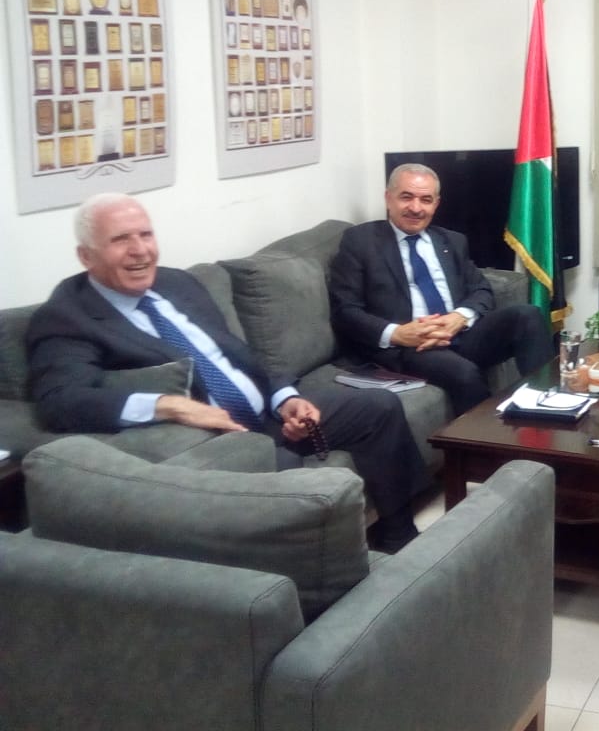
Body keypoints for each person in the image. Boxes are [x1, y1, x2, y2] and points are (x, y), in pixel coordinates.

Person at [26, 193, 427, 553]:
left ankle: (399, 538)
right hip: (222, 442)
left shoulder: (176, 283)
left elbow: (238, 355)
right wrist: (169, 405)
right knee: (286, 472)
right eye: (120, 240)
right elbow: (59, 400)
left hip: (266, 416)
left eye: (145, 235)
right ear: (86, 256)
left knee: (379, 408)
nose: (140, 251)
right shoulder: (68, 317)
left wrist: (285, 399)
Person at [328, 163, 554, 414]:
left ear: (436, 204)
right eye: (406, 197)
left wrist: (460, 317)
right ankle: (488, 436)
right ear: (388, 198)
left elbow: (481, 290)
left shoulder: (451, 241)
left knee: (527, 315)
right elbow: (345, 311)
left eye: (426, 200)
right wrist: (397, 333)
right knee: (464, 373)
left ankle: (548, 406)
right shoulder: (360, 241)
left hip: (459, 334)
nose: (416, 208)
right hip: (410, 347)